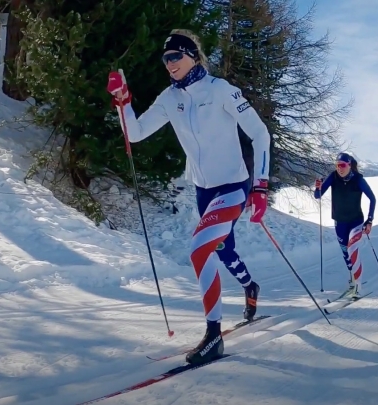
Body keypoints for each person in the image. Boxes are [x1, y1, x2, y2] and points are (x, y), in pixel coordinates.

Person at [106, 29, 271, 366]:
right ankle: (250, 286)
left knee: (199, 250)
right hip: (204, 191)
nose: (169, 64)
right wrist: (124, 102)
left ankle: (214, 337)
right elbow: (135, 134)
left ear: (192, 56)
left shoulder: (221, 90)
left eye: (175, 57)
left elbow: (259, 133)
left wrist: (261, 185)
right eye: (165, 59)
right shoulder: (169, 98)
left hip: (233, 186)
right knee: (223, 249)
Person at [314, 153, 376, 295]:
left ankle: (358, 284)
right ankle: (353, 277)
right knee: (345, 254)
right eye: (337, 165)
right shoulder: (333, 177)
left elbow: (372, 199)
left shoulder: (358, 180)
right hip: (339, 221)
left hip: (356, 221)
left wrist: (370, 220)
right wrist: (317, 188)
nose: (339, 169)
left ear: (349, 165)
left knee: (352, 247)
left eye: (342, 165)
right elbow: (318, 196)